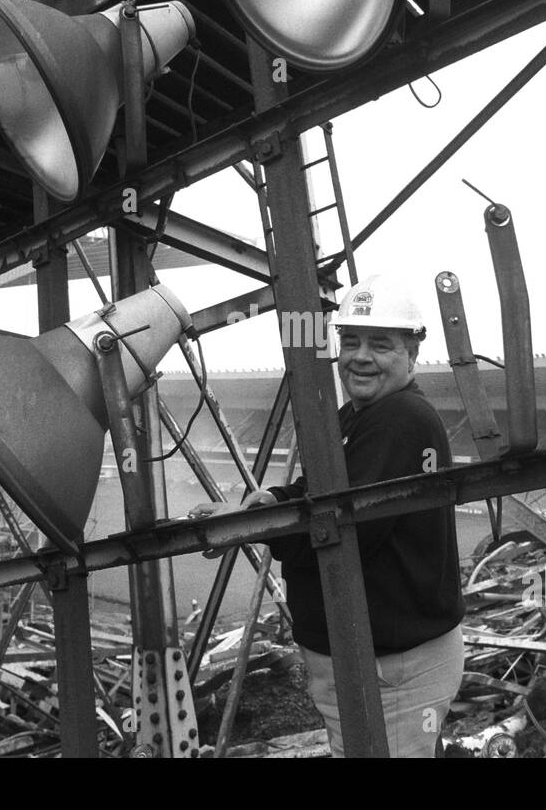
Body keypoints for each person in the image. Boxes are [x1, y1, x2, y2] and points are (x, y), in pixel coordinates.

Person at [190, 275, 465, 757]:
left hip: (392, 667)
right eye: (350, 341)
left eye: (380, 344)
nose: (360, 356)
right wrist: (261, 505)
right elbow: (315, 491)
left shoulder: (398, 419)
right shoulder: (359, 415)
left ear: (412, 353)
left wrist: (252, 528)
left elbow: (340, 527)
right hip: (371, 662)